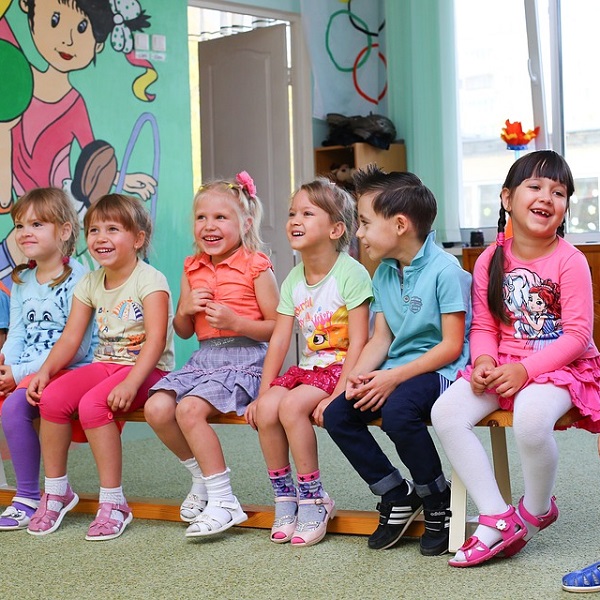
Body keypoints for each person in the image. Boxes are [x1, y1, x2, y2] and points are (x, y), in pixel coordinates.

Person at [431, 150, 600, 568]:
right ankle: (497, 516)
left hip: (559, 367)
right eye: (535, 186)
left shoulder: (571, 260)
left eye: (558, 192)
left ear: (565, 207)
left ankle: (537, 509)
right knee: (446, 412)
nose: (547, 197)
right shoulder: (490, 259)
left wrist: (526, 370)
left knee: (530, 419)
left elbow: (578, 336)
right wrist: (484, 362)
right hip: (504, 362)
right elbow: (484, 326)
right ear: (507, 198)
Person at [323, 166, 472, 556]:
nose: (359, 233)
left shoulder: (446, 272)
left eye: (365, 223)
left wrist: (393, 379)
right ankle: (395, 494)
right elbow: (381, 340)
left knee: (398, 412)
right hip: (398, 370)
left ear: (400, 225)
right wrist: (354, 381)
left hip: (441, 371)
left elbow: (451, 346)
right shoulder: (384, 273)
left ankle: (436, 497)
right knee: (338, 414)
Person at [25, 193, 174, 541]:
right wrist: (45, 371)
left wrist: (131, 382)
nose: (101, 238)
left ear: (137, 239)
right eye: (94, 230)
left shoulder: (150, 280)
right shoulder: (90, 282)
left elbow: (155, 342)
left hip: (148, 369)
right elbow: (70, 338)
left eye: (112, 229)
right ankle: (57, 491)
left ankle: (114, 501)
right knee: (52, 398)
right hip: (106, 364)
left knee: (94, 404)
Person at [144, 172, 279, 538]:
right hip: (203, 361)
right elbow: (183, 331)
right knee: (156, 408)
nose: (209, 225)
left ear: (245, 223)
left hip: (246, 360)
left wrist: (238, 322)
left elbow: (278, 327)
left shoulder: (256, 265)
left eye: (221, 217)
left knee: (188, 410)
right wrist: (185, 309)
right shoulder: (192, 266)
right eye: (202, 217)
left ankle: (223, 500)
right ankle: (201, 477)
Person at [245, 177, 372, 547]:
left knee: (289, 408)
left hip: (341, 369)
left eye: (307, 213)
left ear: (336, 229)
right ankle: (285, 496)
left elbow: (360, 341)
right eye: (292, 213)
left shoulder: (351, 273)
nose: (294, 220)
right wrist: (262, 392)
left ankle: (315, 496)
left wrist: (337, 394)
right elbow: (280, 339)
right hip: (309, 370)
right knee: (268, 408)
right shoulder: (292, 279)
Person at [0, 187, 95, 531]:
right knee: (10, 401)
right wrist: (5, 365)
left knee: (14, 407)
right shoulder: (22, 280)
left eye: (37, 224)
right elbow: (16, 333)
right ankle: (32, 492)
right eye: (20, 225)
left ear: (65, 230)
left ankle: (27, 495)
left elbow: (78, 347)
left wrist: (20, 371)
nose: (25, 232)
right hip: (28, 370)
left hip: (69, 368)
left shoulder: (79, 279)